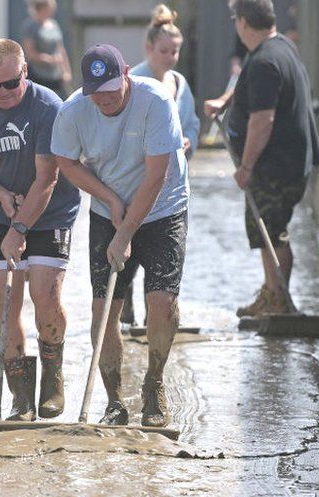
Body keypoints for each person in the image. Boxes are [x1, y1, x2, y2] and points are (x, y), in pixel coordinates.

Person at [52, 44, 189, 427]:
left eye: (112, 89)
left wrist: (126, 231)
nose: (105, 99)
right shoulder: (74, 110)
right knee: (103, 310)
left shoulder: (156, 102)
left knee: (161, 300)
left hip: (163, 206)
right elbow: (65, 161)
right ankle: (114, 401)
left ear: (127, 72)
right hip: (107, 209)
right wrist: (110, 200)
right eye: (97, 92)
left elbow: (156, 175)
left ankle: (154, 383)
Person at [0, 39, 80, 421]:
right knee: (7, 301)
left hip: (51, 209)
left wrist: (21, 225)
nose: (3, 93)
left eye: (11, 83)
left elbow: (48, 178)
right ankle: (20, 396)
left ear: (25, 72)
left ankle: (52, 378)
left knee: (44, 293)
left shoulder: (48, 108)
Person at [204, 0, 319, 318]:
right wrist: (225, 101)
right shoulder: (278, 47)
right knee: (268, 230)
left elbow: (262, 119)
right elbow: (251, 86)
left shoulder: (265, 62)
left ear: (243, 22)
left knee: (273, 231)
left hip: (275, 165)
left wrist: (246, 166)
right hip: (289, 162)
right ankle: (272, 294)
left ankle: (279, 299)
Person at [122, 3, 199, 325]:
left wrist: (188, 142)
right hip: (136, 180)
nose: (170, 57)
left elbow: (191, 123)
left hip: (172, 185)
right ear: (149, 48)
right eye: (165, 51)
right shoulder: (134, 82)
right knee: (130, 251)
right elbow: (121, 130)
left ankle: (156, 316)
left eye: (175, 52)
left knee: (160, 257)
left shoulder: (180, 82)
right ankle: (124, 313)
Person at [19, 0, 71, 98]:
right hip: (38, 75)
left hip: (55, 75)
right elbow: (30, 53)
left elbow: (61, 49)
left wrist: (66, 71)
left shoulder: (54, 24)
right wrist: (50, 60)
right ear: (42, 8)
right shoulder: (30, 26)